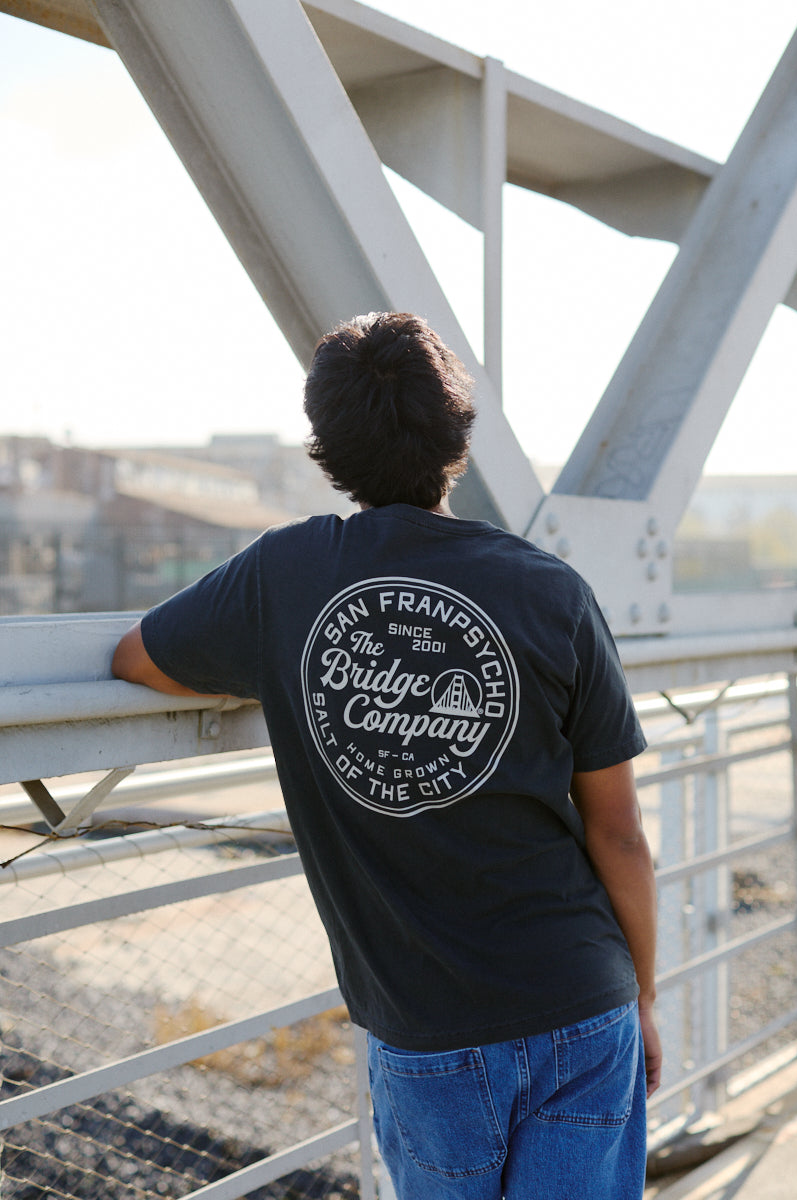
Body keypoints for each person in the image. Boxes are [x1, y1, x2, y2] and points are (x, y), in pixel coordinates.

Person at [112, 311, 661, 1199]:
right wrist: (643, 996)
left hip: (427, 1035)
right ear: (458, 438)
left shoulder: (286, 579)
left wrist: (291, 668)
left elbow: (135, 659)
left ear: (327, 449)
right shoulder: (550, 591)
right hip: (581, 1005)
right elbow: (620, 834)